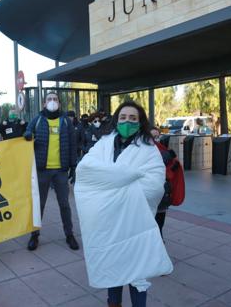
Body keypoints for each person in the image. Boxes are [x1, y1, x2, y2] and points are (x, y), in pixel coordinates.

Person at [74, 101, 172, 307]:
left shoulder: (148, 149)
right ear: (117, 120)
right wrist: (125, 180)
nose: (128, 121)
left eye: (133, 118)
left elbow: (154, 185)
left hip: (134, 222)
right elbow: (85, 170)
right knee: (113, 268)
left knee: (137, 271)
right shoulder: (103, 144)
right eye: (124, 118)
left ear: (140, 122)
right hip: (108, 222)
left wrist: (113, 187)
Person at [23, 92, 79, 251]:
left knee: (64, 205)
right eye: (49, 99)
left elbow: (73, 145)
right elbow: (27, 134)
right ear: (44, 103)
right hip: (42, 170)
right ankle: (34, 236)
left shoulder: (66, 122)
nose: (52, 102)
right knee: (38, 205)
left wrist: (73, 166)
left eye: (55, 99)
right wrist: (27, 135)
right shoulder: (37, 119)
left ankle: (69, 235)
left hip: (60, 171)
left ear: (59, 103)